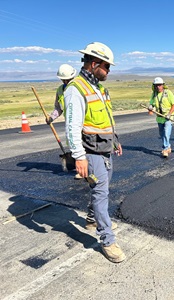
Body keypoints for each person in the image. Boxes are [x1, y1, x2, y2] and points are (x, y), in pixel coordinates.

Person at [64, 42, 125, 263]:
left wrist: (115, 140)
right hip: (90, 151)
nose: (108, 70)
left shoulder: (98, 88)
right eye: (106, 66)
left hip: (105, 147)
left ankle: (92, 220)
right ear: (94, 63)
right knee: (101, 192)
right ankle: (107, 239)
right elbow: (72, 126)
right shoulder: (76, 89)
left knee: (104, 186)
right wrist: (78, 156)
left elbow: (106, 118)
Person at [45, 64, 82, 179]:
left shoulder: (80, 87)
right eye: (64, 80)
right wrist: (51, 117)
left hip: (84, 123)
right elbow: (59, 108)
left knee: (86, 146)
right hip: (71, 123)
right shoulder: (60, 90)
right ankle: (80, 168)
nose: (66, 82)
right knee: (74, 145)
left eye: (68, 79)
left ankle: (88, 169)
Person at [148, 77, 174, 158]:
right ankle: (168, 146)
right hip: (159, 117)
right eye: (156, 85)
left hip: (168, 117)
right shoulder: (154, 94)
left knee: (166, 132)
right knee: (162, 134)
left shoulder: (168, 93)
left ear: (163, 85)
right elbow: (152, 103)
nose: (158, 87)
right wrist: (150, 107)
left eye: (160, 85)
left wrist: (169, 114)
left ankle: (165, 149)